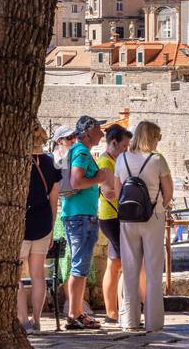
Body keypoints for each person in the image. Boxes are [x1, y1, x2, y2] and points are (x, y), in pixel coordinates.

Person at [116, 121, 173, 333]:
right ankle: (153, 322)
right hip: (153, 217)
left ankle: (128, 320)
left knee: (130, 269)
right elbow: (168, 192)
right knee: (153, 270)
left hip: (127, 219)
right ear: (152, 137)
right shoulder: (158, 160)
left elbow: (116, 190)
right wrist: (158, 207)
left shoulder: (122, 159)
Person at [62, 115, 114, 330]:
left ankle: (76, 313)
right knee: (80, 266)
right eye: (99, 129)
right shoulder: (82, 152)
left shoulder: (77, 150)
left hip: (78, 214)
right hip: (82, 216)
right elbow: (76, 181)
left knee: (79, 265)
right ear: (89, 131)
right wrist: (99, 179)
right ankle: (75, 314)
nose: (102, 133)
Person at [19, 124, 59, 331]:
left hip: (21, 225)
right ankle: (37, 320)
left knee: (14, 275)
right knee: (38, 275)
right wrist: (51, 228)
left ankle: (23, 320)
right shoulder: (50, 164)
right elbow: (54, 200)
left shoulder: (18, 164)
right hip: (43, 223)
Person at [96, 125, 132, 325]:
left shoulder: (114, 161)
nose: (126, 149)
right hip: (112, 216)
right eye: (124, 145)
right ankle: (119, 311)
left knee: (114, 263)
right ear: (114, 143)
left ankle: (112, 312)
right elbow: (110, 191)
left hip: (112, 216)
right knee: (124, 264)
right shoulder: (106, 162)